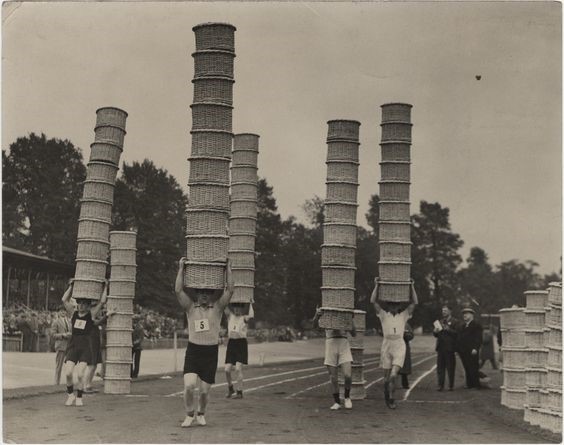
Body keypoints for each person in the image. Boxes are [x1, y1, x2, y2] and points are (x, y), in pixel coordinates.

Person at [174, 257, 234, 427]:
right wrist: (181, 268)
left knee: (204, 392)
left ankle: (201, 413)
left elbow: (230, 290)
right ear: (197, 294)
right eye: (201, 293)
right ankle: (189, 414)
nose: (204, 296)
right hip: (193, 352)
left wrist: (228, 269)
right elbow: (178, 290)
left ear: (211, 295)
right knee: (189, 386)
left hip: (210, 353)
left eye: (207, 293)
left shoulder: (218, 308)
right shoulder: (190, 307)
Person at [370, 278, 418, 409]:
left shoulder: (404, 315)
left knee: (393, 375)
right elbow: (373, 301)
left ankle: (391, 399)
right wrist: (377, 285)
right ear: (388, 306)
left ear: (399, 306)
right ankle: (387, 393)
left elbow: (415, 302)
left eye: (396, 305)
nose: (394, 307)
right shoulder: (383, 314)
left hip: (399, 344)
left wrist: (411, 286)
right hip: (387, 344)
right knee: (386, 378)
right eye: (391, 305)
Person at [62, 279, 108, 406]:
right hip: (73, 345)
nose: (80, 305)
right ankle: (70, 395)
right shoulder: (73, 313)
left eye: (83, 304)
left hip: (85, 346)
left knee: (81, 374)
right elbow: (64, 300)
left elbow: (102, 302)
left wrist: (106, 286)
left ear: (88, 306)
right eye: (79, 303)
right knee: (68, 373)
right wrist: (71, 286)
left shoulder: (91, 314)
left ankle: (79, 397)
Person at [312, 306, 355, 410]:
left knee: (348, 375)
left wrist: (351, 320)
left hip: (343, 342)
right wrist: (317, 316)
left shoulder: (344, 313)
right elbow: (315, 327)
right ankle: (337, 402)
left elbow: (354, 334)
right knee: (333, 377)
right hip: (331, 343)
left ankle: (347, 397)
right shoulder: (326, 312)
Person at [224, 303, 254, 399]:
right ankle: (230, 388)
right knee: (227, 370)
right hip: (231, 344)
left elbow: (251, 315)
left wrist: (250, 303)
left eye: (239, 308)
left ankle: (239, 392)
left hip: (241, 344)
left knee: (238, 368)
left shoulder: (244, 318)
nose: (237, 310)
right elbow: (224, 306)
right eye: (235, 308)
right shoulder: (230, 316)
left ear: (242, 309)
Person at [433, 305, 459, 391]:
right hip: (440, 348)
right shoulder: (440, 321)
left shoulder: (455, 321)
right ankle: (440, 385)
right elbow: (436, 335)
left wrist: (448, 329)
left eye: (445, 310)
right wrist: (435, 332)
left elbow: (457, 334)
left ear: (450, 311)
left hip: (450, 348)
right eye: (442, 310)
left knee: (450, 368)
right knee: (440, 368)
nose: (443, 312)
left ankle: (450, 385)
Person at [457, 306, 483, 389]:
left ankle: (476, 385)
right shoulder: (463, 326)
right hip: (463, 350)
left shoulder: (476, 325)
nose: (464, 315)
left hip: (472, 350)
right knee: (467, 367)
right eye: (464, 314)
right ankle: (469, 384)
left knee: (473, 367)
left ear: (472, 315)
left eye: (466, 314)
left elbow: (478, 338)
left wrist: (475, 348)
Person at [51, 306, 72, 385]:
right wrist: (63, 335)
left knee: (70, 366)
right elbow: (53, 334)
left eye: (64, 311)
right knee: (59, 366)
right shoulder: (56, 322)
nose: (63, 312)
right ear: (58, 312)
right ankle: (56, 382)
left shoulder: (69, 321)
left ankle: (69, 383)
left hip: (69, 346)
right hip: (61, 345)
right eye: (61, 311)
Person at [399, 321, 414, 389]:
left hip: (404, 346)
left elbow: (411, 335)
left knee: (404, 365)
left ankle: (405, 383)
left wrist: (404, 334)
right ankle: (389, 382)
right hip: (393, 346)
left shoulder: (406, 324)